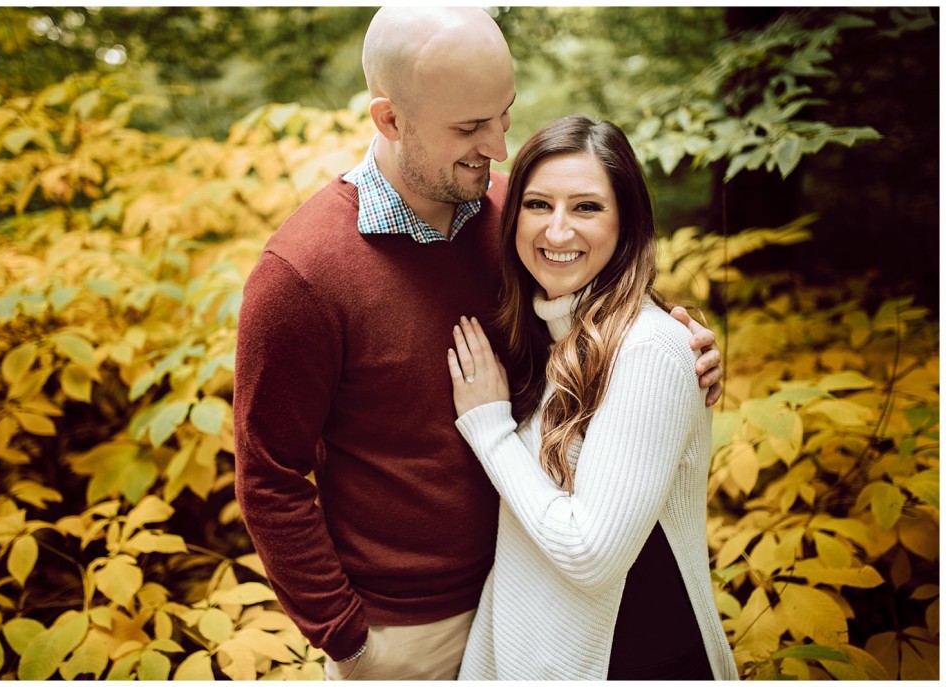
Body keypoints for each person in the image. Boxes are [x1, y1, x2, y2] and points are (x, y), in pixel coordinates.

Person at [233, 8, 725, 681]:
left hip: (539, 594)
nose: (499, 147)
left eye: (504, 114)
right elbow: (268, 475)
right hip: (409, 630)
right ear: (390, 119)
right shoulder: (303, 274)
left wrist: (675, 338)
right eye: (468, 127)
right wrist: (346, 635)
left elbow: (594, 310)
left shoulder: (513, 216)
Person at [446, 114, 739, 680]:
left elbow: (590, 554)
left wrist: (488, 427)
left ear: (626, 224)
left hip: (637, 660)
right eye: (537, 205)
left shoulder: (650, 350)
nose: (557, 232)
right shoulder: (540, 333)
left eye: (586, 207)